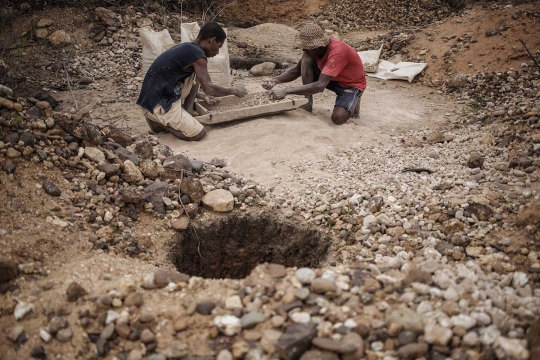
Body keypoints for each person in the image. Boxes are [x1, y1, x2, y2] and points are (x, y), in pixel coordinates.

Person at [137, 22, 247, 141]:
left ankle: (185, 111)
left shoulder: (188, 48)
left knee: (197, 74)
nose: (218, 52)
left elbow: (197, 83)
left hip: (149, 99)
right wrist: (233, 90)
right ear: (212, 40)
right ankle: (162, 123)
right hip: (157, 103)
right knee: (198, 133)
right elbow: (209, 88)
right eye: (219, 46)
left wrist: (201, 96)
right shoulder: (197, 55)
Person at [262, 23, 366, 125]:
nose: (304, 49)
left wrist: (286, 90)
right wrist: (275, 80)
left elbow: (320, 86)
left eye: (307, 47)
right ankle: (307, 103)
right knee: (306, 59)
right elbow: (296, 71)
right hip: (331, 79)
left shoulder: (337, 52)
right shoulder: (313, 51)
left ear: (317, 45)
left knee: (337, 118)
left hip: (350, 84)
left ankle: (354, 98)